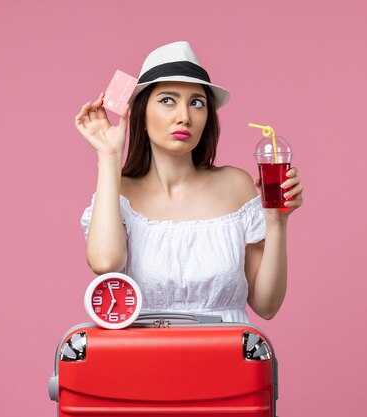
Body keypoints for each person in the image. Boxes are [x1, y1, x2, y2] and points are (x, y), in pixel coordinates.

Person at [74, 41, 303, 323]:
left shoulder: (236, 185)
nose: (184, 117)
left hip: (229, 359)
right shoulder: (121, 192)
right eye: (167, 100)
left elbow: (266, 305)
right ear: (142, 113)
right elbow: (105, 263)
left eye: (196, 103)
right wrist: (109, 156)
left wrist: (277, 222)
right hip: (146, 360)